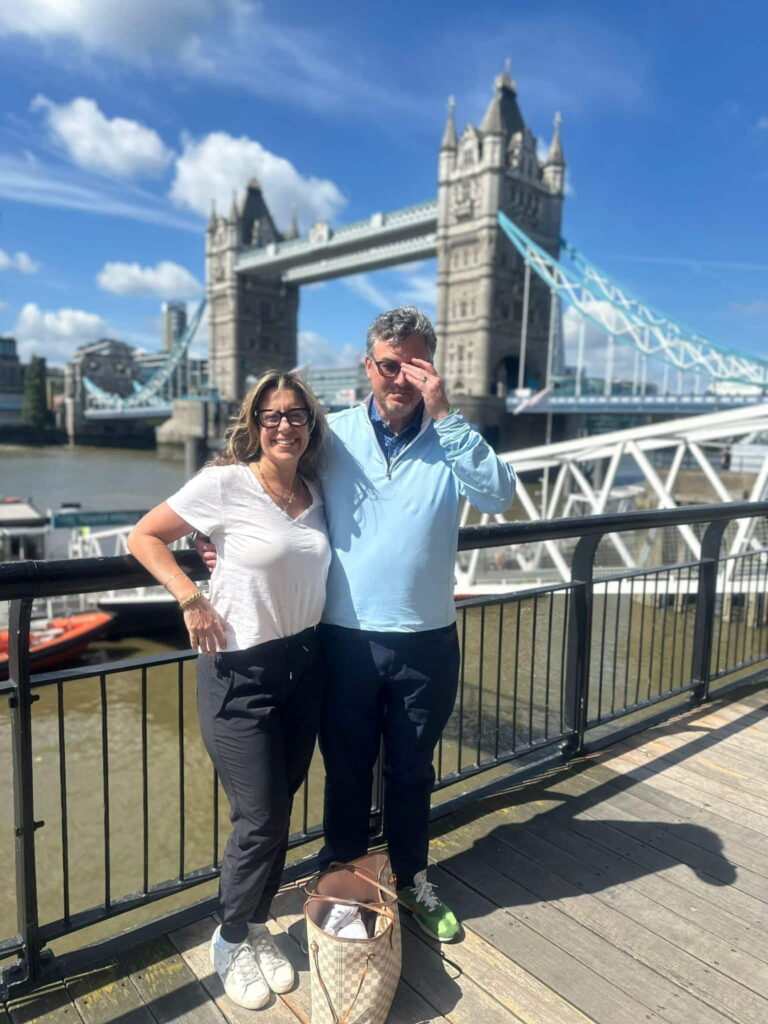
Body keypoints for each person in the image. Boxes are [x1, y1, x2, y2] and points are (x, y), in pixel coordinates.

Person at [200, 307, 516, 943]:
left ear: (432, 368)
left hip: (426, 640)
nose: (400, 378)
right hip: (342, 639)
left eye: (414, 366)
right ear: (368, 366)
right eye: (388, 365)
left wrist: (446, 414)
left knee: (411, 772)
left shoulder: (451, 436)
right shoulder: (332, 434)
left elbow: (498, 495)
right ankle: (343, 875)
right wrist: (216, 539)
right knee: (344, 771)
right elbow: (264, 479)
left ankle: (410, 879)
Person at [128, 371, 330, 1010]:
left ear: (310, 423)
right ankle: (230, 934)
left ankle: (259, 923)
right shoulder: (224, 484)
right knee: (261, 815)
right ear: (254, 423)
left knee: (281, 806)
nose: (284, 426)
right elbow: (142, 536)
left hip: (304, 665)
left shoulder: (316, 491)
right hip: (238, 671)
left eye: (295, 415)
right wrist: (190, 594)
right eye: (271, 417)